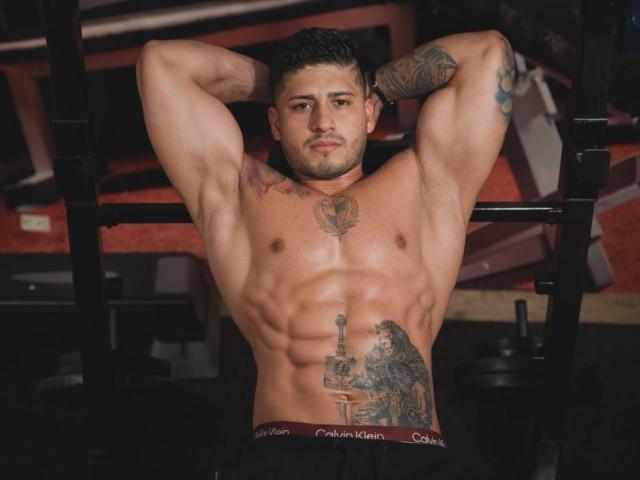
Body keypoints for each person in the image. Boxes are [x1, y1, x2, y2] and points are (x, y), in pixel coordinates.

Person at [137, 26, 513, 480]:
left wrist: (375, 83)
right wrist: (283, 81)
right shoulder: (236, 194)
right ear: (276, 123)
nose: (322, 122)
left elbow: (487, 52)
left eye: (341, 102)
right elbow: (162, 64)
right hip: (287, 452)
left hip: (413, 453)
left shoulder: (429, 183)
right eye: (301, 106)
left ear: (368, 112)